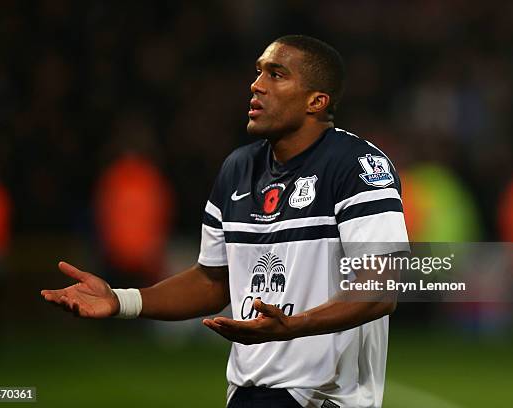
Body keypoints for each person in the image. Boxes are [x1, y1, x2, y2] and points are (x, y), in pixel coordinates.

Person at [41, 35, 409, 408]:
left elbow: (381, 286)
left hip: (321, 396)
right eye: (258, 72)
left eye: (277, 75)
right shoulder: (238, 169)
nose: (257, 85)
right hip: (245, 390)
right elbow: (212, 280)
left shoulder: (357, 166)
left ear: (317, 101)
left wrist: (292, 328)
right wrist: (122, 300)